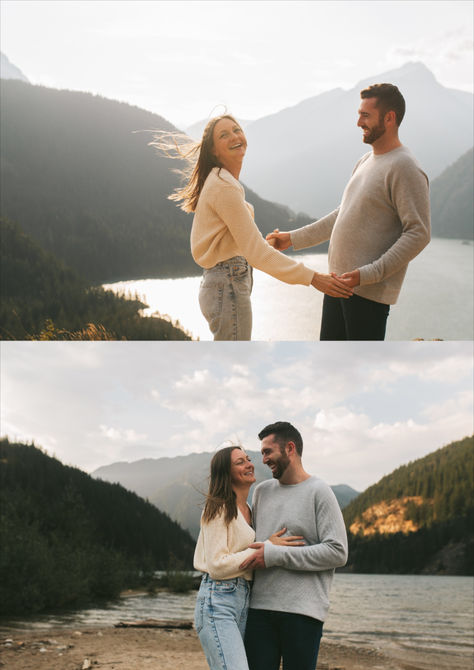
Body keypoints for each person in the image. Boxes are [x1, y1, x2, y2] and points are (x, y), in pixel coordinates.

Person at [159, 114, 352, 340]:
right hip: (227, 284)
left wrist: (263, 244)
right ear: (213, 151)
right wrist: (313, 278)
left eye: (236, 129)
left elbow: (236, 243)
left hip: (221, 283)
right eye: (224, 135)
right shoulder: (224, 186)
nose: (234, 136)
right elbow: (257, 254)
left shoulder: (221, 181)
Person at [267, 83, 431, 340]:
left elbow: (419, 233)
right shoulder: (365, 161)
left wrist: (368, 274)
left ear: (389, 118)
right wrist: (293, 238)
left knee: (359, 371)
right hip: (337, 286)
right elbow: (342, 214)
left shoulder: (405, 167)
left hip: (366, 295)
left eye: (365, 115)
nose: (358, 122)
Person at [240, 422, 348, 670]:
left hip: (303, 614)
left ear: (290, 448)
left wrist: (277, 555)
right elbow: (258, 546)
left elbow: (338, 551)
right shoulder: (261, 492)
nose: (264, 459)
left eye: (268, 451)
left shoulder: (319, 491)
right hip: (259, 610)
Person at [193, 445, 304, 670]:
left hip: (244, 600)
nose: (249, 464)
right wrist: (266, 547)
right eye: (240, 462)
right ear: (226, 473)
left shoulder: (250, 510)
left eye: (248, 459)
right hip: (218, 599)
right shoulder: (217, 507)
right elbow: (216, 566)